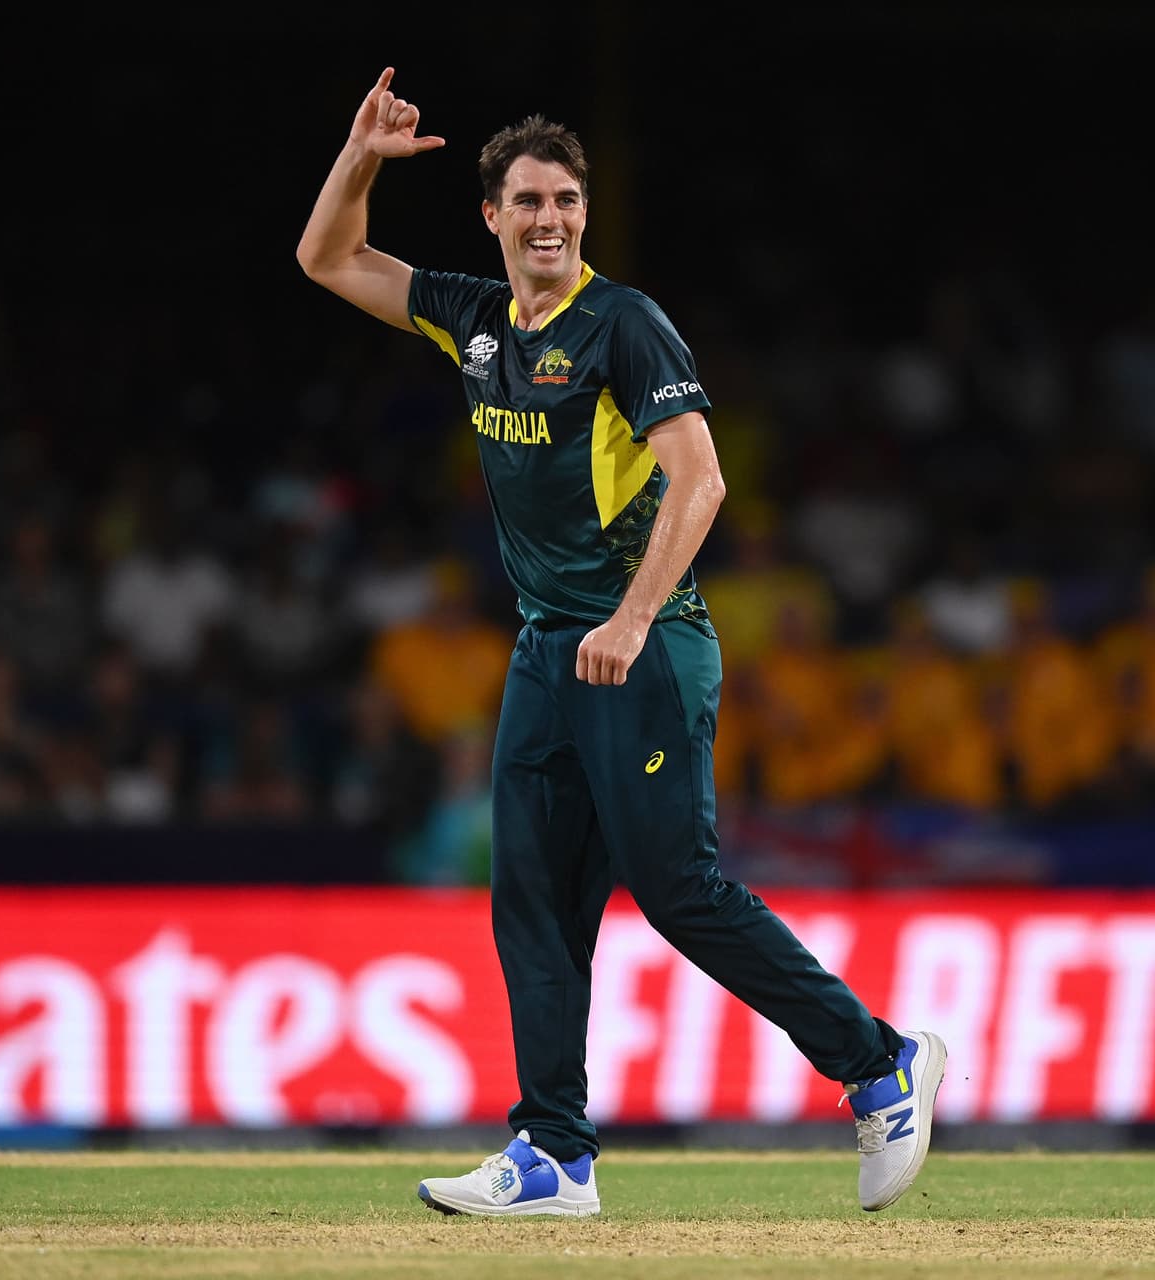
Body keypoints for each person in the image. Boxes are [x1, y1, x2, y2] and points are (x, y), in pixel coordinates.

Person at [295, 67, 946, 1217]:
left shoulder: (624, 325)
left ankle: (882, 1064)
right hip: (549, 652)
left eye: (566, 201)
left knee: (676, 887)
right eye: (527, 202)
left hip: (644, 645)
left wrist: (633, 614)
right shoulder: (476, 318)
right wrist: (358, 158)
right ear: (490, 216)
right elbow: (329, 261)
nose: (549, 220)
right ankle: (553, 1151)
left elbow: (703, 477)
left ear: (583, 214)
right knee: (532, 898)